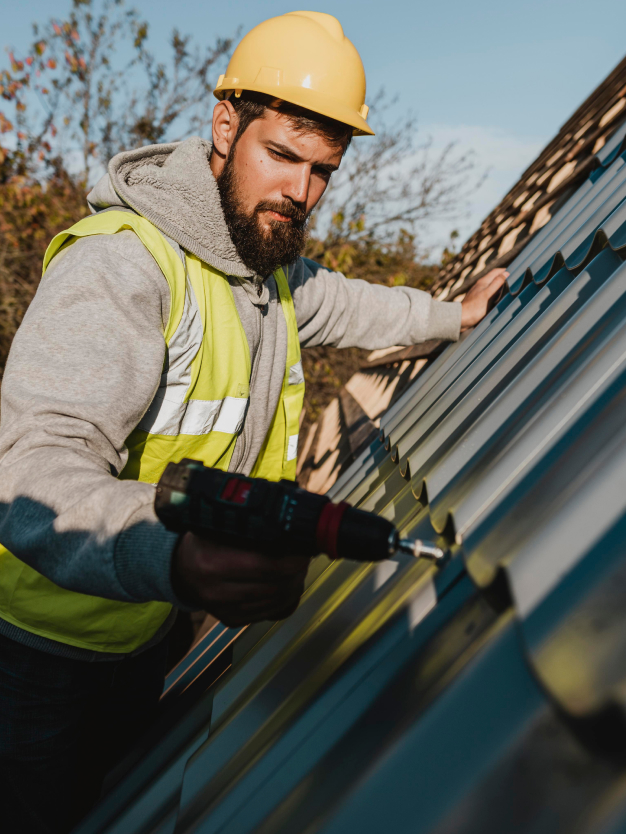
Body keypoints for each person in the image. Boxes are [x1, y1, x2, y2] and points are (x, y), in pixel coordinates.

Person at [0, 11, 506, 833]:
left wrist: (455, 315)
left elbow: (349, 302)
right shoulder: (123, 263)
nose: (300, 193)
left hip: (144, 623)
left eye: (323, 172)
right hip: (39, 653)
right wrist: (176, 558)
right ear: (225, 124)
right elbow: (29, 469)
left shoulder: (263, 269)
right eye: (283, 156)